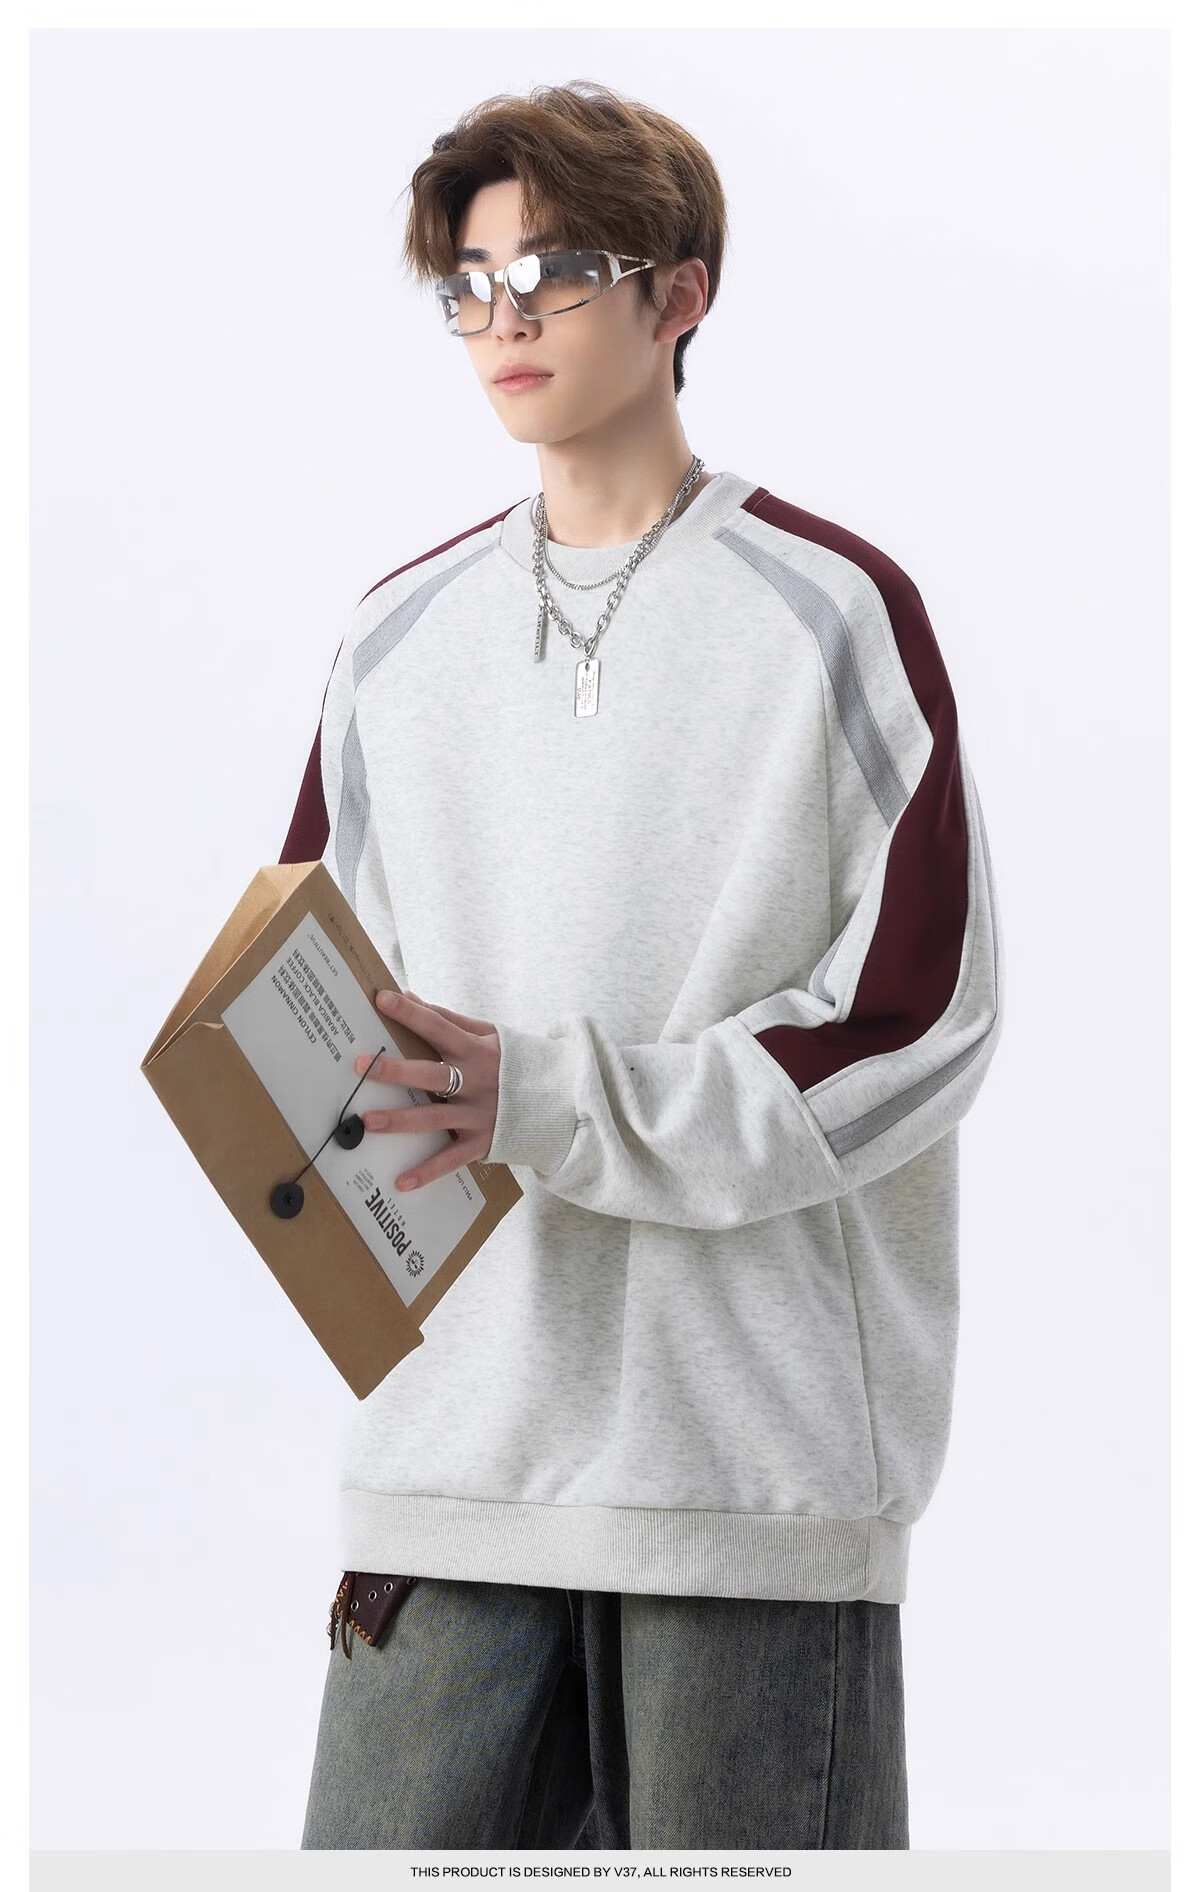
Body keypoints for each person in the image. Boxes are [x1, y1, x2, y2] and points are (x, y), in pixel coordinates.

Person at [282, 78, 1005, 1851]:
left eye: (555, 270)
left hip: (742, 1479)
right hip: (448, 1474)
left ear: (681, 294)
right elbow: (310, 1022)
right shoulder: (392, 644)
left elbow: (917, 1023)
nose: (505, 317)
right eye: (470, 283)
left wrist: (546, 1098)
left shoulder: (834, 614)